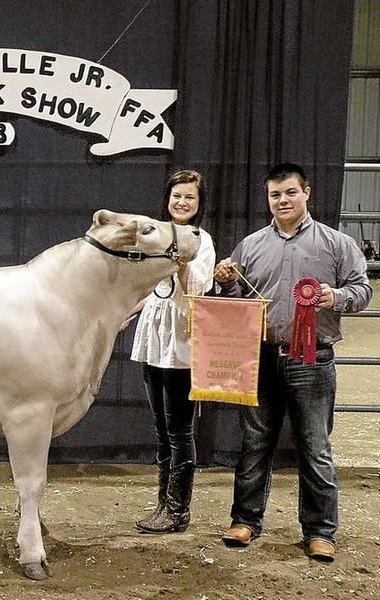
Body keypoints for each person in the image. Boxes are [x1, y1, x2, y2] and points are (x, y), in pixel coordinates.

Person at [214, 162, 372, 562]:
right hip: (262, 357)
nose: (282, 201)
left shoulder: (337, 243)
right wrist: (226, 280)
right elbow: (237, 304)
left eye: (289, 193)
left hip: (314, 358)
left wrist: (335, 297)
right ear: (267, 198)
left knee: (315, 446)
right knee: (254, 443)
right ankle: (245, 520)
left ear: (307, 193)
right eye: (274, 195)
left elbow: (362, 290)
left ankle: (320, 531)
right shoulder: (250, 246)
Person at [130, 169, 216, 534]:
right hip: (155, 334)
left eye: (190, 197)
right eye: (177, 195)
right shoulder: (154, 232)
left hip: (183, 337)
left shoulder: (201, 240)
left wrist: (180, 259)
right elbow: (140, 282)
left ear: (199, 204)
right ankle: (163, 503)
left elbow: (199, 285)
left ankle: (178, 510)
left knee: (180, 430)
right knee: (161, 428)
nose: (182, 202)